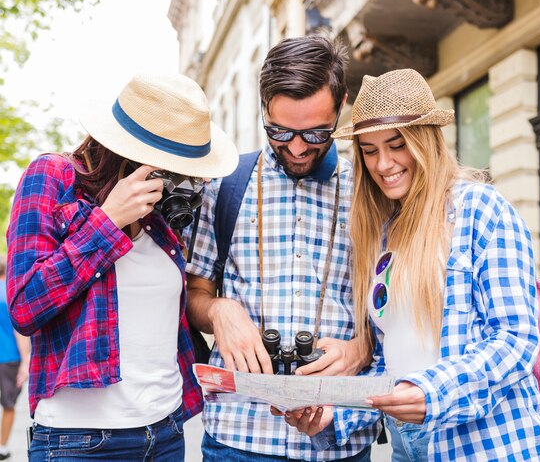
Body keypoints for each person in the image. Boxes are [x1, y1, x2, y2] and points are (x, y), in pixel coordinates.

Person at [284, 68, 540, 460]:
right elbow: (390, 361)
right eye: (370, 150)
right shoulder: (382, 233)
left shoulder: (480, 210)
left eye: (396, 144)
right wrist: (332, 417)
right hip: (405, 445)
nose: (383, 164)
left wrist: (432, 393)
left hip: (486, 445)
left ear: (424, 140)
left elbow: (515, 340)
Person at [6, 72, 238, 461]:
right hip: (80, 441)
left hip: (165, 431)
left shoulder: (165, 208)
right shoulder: (52, 177)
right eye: (170, 164)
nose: (179, 177)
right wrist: (107, 221)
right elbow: (25, 307)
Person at [185, 35, 383, 461]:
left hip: (340, 437)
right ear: (263, 110)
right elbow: (194, 294)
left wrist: (361, 348)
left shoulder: (371, 192)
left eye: (315, 132)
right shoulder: (224, 184)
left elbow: (395, 310)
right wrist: (220, 311)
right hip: (239, 438)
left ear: (341, 104)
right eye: (280, 131)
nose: (296, 147)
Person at [0, 254, 30, 461]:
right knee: (8, 404)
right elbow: (20, 330)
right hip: (9, 358)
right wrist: (26, 362)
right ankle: (2, 446)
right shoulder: (10, 294)